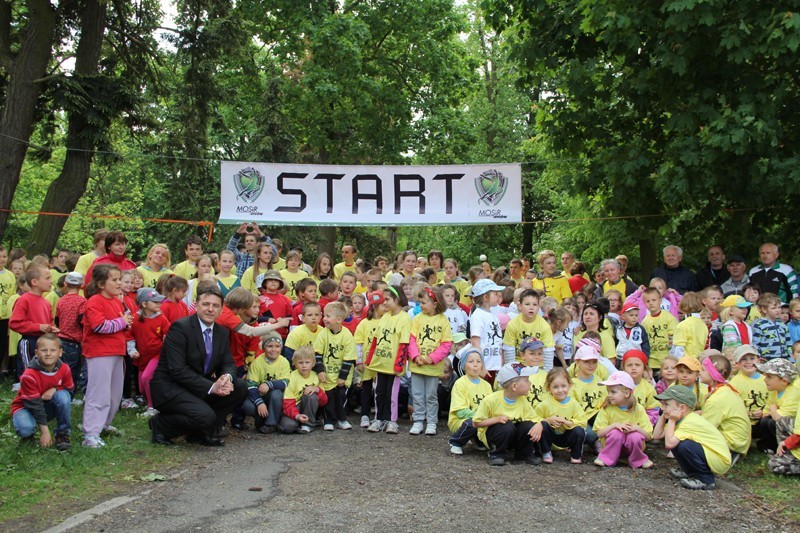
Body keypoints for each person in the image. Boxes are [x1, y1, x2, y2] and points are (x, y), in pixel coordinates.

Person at [148, 285, 248, 446]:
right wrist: (212, 387)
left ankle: (201, 432)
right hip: (171, 387)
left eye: (215, 306)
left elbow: (229, 363)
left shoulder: (222, 332)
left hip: (198, 386)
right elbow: (177, 370)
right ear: (196, 304)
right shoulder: (180, 327)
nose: (210, 309)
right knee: (205, 417)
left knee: (240, 386)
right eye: (206, 304)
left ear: (221, 309)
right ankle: (160, 425)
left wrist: (226, 378)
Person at [81, 264, 132, 448]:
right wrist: (121, 322)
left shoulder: (115, 301)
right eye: (115, 279)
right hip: (99, 353)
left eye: (120, 279)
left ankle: (104, 424)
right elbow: (99, 326)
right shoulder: (94, 301)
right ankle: (90, 434)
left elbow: (117, 323)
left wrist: (125, 323)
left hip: (116, 351)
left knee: (114, 394)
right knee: (99, 393)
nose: (119, 283)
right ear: (102, 283)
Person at [653, 386, 732, 490]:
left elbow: (668, 444)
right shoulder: (681, 418)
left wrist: (671, 421)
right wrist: (664, 414)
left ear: (682, 408)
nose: (662, 408)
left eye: (666, 404)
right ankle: (690, 472)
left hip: (719, 459)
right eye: (662, 404)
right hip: (710, 455)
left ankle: (706, 480)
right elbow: (656, 436)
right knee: (678, 443)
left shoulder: (689, 421)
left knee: (684, 445)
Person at [11, 334, 73, 451]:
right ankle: (29, 434)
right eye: (44, 350)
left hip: (47, 406)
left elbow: (70, 390)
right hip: (26, 408)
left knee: (63, 396)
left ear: (60, 352)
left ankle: (62, 434)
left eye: (53, 350)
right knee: (25, 429)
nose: (48, 354)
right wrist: (45, 432)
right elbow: (35, 405)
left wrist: (55, 388)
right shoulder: (29, 375)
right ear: (36, 352)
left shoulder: (65, 369)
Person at [472, 362, 541, 466]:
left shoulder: (523, 401)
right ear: (514, 386)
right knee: (505, 425)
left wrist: (539, 425)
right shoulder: (491, 400)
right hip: (494, 436)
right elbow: (476, 423)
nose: (530, 383)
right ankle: (496, 454)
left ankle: (524, 455)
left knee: (528, 426)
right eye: (527, 380)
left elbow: (533, 418)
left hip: (511, 437)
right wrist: (496, 419)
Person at [408, 286, 453, 436]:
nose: (421, 305)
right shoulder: (417, 318)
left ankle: (432, 421)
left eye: (424, 302)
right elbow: (412, 339)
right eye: (420, 302)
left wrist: (431, 358)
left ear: (435, 303)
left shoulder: (443, 320)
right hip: (417, 365)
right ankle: (418, 420)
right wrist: (416, 356)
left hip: (433, 367)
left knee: (431, 395)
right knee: (417, 394)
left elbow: (446, 343)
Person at [365, 286, 410, 433]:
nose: (384, 303)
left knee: (392, 394)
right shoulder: (384, 317)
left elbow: (404, 344)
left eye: (387, 299)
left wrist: (399, 365)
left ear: (397, 300)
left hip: (392, 365)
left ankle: (391, 421)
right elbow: (376, 339)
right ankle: (379, 419)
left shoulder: (404, 318)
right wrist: (370, 358)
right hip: (380, 364)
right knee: (379, 392)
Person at [592, 370, 653, 468]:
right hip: (611, 445)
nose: (609, 395)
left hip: (631, 446)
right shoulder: (607, 408)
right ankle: (607, 458)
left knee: (635, 436)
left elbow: (649, 436)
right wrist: (614, 425)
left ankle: (638, 460)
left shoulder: (639, 409)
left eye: (613, 392)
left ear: (627, 393)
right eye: (608, 391)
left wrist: (637, 428)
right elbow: (599, 433)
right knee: (616, 433)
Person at [313, 301, 356, 431]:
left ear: (338, 319)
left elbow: (349, 358)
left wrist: (343, 376)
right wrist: (320, 371)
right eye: (324, 315)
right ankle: (329, 420)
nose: (324, 319)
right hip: (327, 375)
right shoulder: (323, 334)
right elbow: (318, 354)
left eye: (327, 316)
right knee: (328, 398)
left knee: (341, 397)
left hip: (341, 376)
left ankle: (342, 419)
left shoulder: (347, 335)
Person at [9, 263, 59, 377]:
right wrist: (38, 327)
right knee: (29, 373)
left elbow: (49, 321)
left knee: (42, 373)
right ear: (34, 282)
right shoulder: (24, 300)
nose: (51, 281)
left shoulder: (46, 302)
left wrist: (52, 328)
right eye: (47, 278)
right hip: (28, 342)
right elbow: (15, 323)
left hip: (43, 342)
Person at [699, 354, 751, 461]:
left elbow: (706, 427)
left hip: (733, 442)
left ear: (713, 374)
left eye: (703, 370)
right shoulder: (725, 389)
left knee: (688, 439)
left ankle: (725, 455)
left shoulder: (717, 398)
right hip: (740, 440)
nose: (700, 372)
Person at [128, 288, 170, 418]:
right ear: (144, 304)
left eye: (159, 301)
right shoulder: (135, 318)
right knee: (141, 387)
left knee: (147, 378)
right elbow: (129, 337)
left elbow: (168, 334)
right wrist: (132, 351)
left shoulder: (162, 318)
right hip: (142, 357)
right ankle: (152, 403)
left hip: (157, 355)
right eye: (155, 302)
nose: (159, 304)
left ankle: (153, 407)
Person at [530, 367, 586, 464]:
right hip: (551, 438)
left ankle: (576, 455)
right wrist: (548, 420)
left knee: (579, 430)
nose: (560, 390)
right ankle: (546, 452)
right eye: (555, 387)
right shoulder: (544, 404)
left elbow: (583, 421)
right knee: (543, 425)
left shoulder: (574, 404)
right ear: (548, 388)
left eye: (563, 386)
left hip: (566, 436)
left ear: (569, 385)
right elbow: (535, 419)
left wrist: (567, 422)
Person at [243, 333, 291, 433]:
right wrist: (259, 402)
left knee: (276, 394)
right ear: (264, 348)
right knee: (248, 406)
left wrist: (269, 384)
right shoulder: (257, 363)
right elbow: (251, 386)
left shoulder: (284, 362)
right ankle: (261, 420)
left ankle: (271, 423)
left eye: (277, 346)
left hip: (275, 398)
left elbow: (285, 382)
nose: (274, 350)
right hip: (260, 395)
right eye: (270, 346)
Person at [448, 348, 492, 455]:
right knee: (472, 423)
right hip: (462, 420)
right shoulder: (460, 383)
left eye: (478, 361)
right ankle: (455, 442)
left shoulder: (486, 385)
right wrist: (481, 416)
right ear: (464, 365)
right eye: (471, 362)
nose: (475, 365)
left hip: (481, 419)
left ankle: (478, 441)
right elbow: (460, 411)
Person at [502, 289, 556, 369]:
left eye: (535, 304)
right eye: (527, 304)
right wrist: (512, 371)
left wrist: (547, 373)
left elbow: (548, 351)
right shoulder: (512, 324)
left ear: (539, 306)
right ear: (520, 306)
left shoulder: (544, 325)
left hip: (538, 366)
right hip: (518, 365)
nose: (531, 308)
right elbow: (509, 350)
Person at [754, 358, 799, 453]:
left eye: (769, 377)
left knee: (772, 422)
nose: (765, 380)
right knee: (765, 421)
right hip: (781, 417)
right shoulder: (775, 390)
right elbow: (766, 412)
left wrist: (772, 409)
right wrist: (769, 411)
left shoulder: (794, 391)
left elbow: (780, 418)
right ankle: (771, 446)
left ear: (784, 381)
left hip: (795, 426)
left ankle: (785, 447)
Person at [280, 346, 328, 434]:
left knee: (312, 396)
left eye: (307, 362)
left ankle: (308, 424)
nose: (304, 366)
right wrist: (297, 416)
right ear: (295, 364)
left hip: (309, 407)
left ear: (313, 363)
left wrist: (317, 389)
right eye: (300, 362)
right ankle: (298, 422)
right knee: (288, 427)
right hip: (295, 407)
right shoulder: (291, 377)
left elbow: (324, 401)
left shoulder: (316, 376)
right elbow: (287, 403)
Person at [469, 279, 506, 380]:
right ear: (485, 297)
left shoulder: (492, 315)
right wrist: (481, 366)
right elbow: (475, 343)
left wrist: (501, 361)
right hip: (485, 366)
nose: (498, 296)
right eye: (495, 294)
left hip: (494, 365)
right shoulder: (478, 315)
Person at [729, 345, 768, 437]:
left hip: (762, 420)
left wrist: (764, 412)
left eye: (752, 358)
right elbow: (732, 404)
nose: (749, 362)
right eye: (744, 359)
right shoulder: (735, 382)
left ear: (759, 360)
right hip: (744, 422)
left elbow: (773, 401)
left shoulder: (766, 380)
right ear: (737, 363)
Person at [55, 272, 85, 390]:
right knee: (73, 369)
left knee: (62, 366)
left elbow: (57, 319)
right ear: (81, 285)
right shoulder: (82, 301)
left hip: (62, 337)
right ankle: (69, 392)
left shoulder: (61, 300)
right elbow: (82, 320)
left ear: (65, 283)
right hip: (74, 340)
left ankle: (59, 387)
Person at [751, 293, 791, 361]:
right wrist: (758, 358)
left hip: (784, 360)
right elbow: (755, 344)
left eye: (779, 307)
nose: (778, 310)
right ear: (764, 309)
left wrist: (790, 358)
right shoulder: (758, 325)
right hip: (767, 360)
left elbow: (789, 344)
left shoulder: (783, 325)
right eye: (774, 308)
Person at [670, 292, 708, 358]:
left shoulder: (683, 325)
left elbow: (678, 349)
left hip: (685, 364)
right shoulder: (703, 325)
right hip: (697, 362)